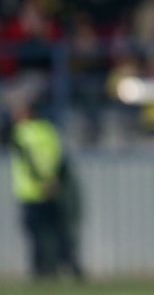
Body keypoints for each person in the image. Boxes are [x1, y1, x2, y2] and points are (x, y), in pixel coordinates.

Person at [9, 98, 84, 280]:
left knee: (36, 234)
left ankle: (42, 270)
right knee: (59, 232)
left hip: (31, 192)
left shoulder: (22, 133)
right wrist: (53, 181)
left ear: (28, 113)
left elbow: (29, 162)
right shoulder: (49, 131)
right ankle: (70, 267)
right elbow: (59, 158)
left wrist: (42, 182)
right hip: (54, 189)